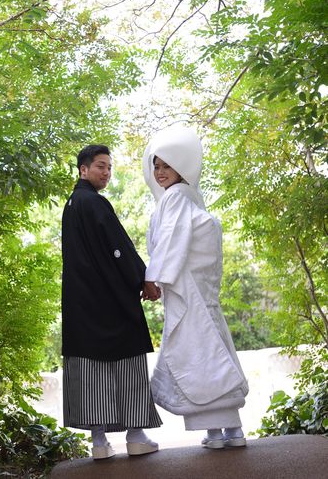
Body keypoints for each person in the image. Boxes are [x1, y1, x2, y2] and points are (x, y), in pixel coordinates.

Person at [142, 125, 249, 449]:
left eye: (167, 165)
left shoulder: (175, 198)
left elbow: (171, 239)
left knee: (198, 355)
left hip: (187, 292)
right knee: (212, 351)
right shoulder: (190, 199)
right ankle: (230, 430)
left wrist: (152, 277)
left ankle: (216, 433)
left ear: (181, 167)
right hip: (200, 293)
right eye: (156, 166)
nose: (160, 172)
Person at [61, 144, 162, 460]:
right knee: (127, 362)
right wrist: (143, 279)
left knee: (90, 368)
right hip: (109, 299)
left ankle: (99, 442)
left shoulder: (72, 204)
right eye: (100, 166)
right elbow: (119, 248)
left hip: (81, 303)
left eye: (109, 167)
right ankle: (135, 435)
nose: (106, 172)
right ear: (83, 169)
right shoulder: (94, 203)